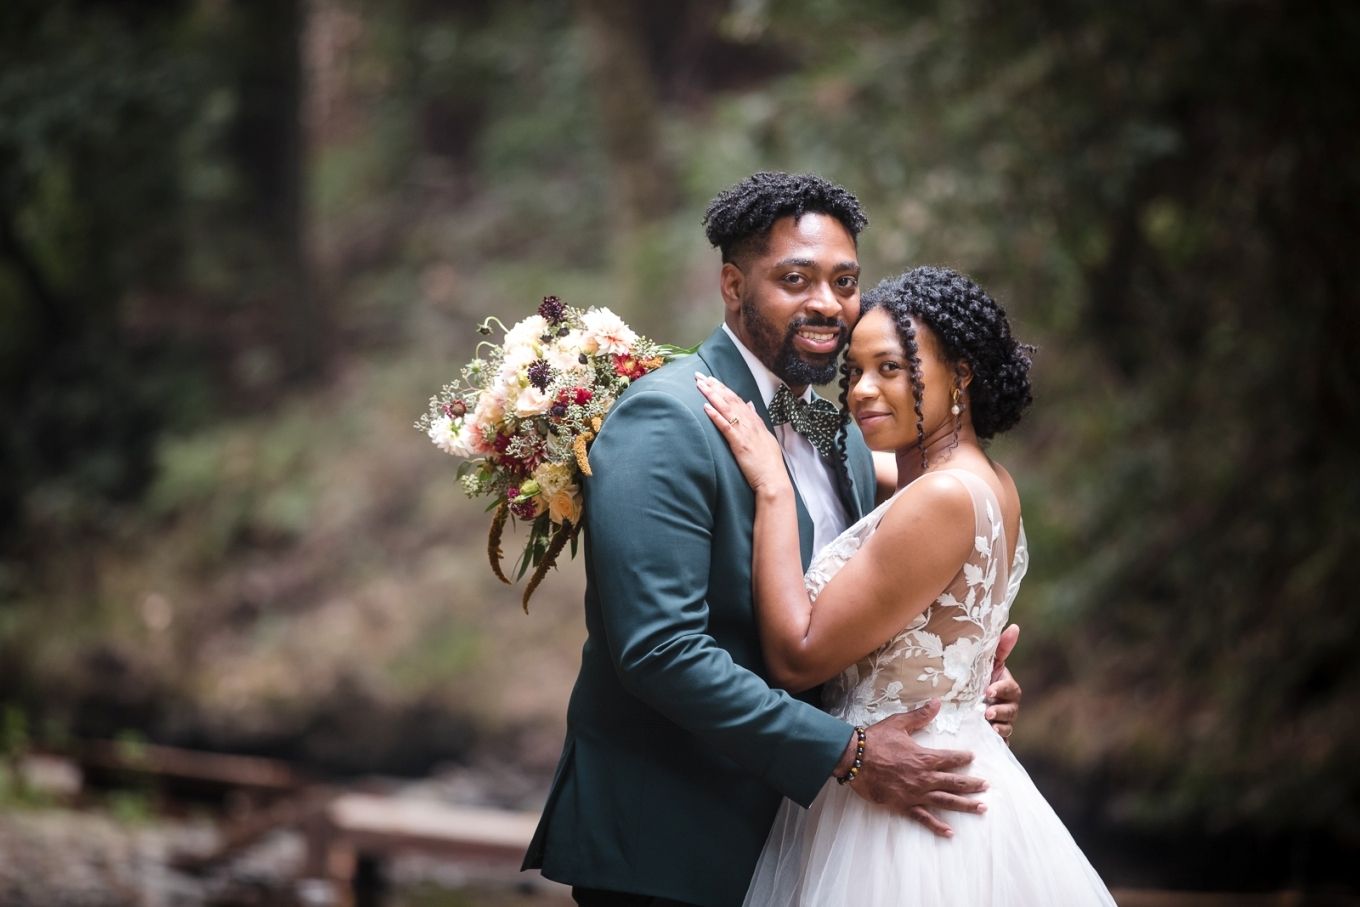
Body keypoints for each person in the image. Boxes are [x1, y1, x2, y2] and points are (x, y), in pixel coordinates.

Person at [523, 173, 1022, 907]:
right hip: (675, 842)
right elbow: (660, 650)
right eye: (796, 278)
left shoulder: (842, 433)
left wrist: (954, 681)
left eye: (845, 280)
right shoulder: (667, 418)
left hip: (809, 845)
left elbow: (857, 603)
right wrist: (846, 755)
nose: (828, 302)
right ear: (733, 286)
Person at [695, 265, 1116, 905]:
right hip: (953, 759)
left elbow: (795, 657)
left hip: (899, 806)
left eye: (891, 369)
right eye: (854, 370)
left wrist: (774, 487)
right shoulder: (987, 479)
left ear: (963, 375)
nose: (862, 390)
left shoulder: (941, 496)